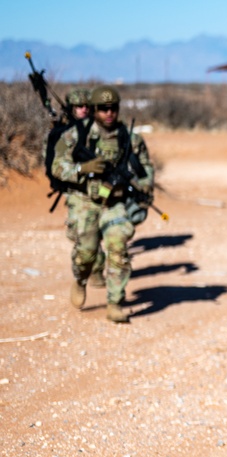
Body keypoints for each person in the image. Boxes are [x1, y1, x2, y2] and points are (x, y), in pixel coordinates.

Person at [51, 85, 154, 323]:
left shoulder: (130, 139)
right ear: (94, 110)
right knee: (86, 253)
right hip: (84, 200)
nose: (109, 113)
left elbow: (146, 168)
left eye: (113, 108)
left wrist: (140, 185)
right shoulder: (76, 136)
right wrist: (81, 169)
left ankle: (114, 302)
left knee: (118, 245)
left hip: (114, 203)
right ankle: (80, 279)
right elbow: (57, 166)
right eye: (103, 109)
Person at [62, 88, 108, 289]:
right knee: (80, 236)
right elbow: (56, 165)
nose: (83, 110)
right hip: (77, 191)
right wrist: (81, 169)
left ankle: (97, 269)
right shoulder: (66, 134)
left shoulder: (100, 130)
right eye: (78, 107)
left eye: (86, 107)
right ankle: (82, 274)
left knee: (99, 232)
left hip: (102, 190)